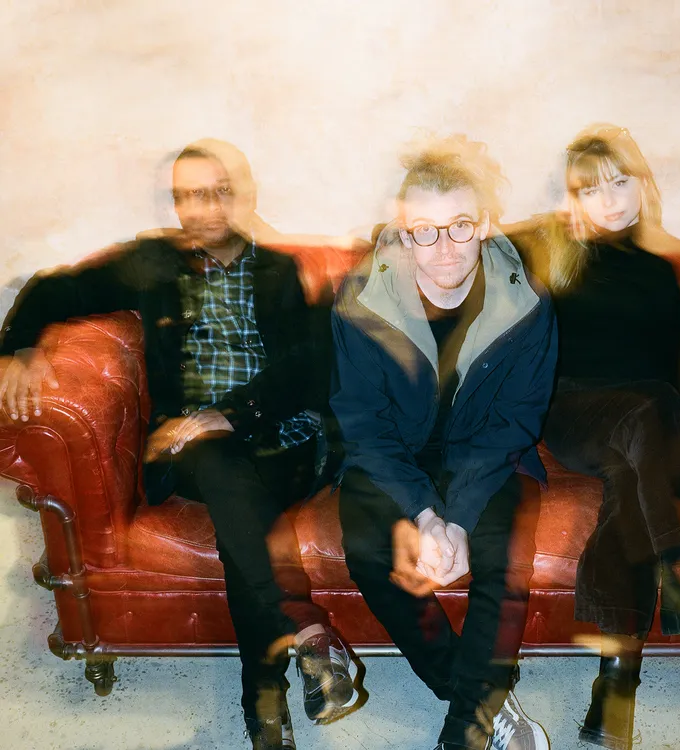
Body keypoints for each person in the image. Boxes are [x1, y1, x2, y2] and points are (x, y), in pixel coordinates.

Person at [0, 140, 361, 750]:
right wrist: (18, 346)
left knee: (239, 507)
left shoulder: (281, 270)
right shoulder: (151, 263)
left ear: (243, 196)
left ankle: (266, 709)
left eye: (220, 192)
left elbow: (308, 369)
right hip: (193, 447)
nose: (206, 207)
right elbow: (55, 286)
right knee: (220, 465)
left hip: (286, 438)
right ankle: (303, 641)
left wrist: (230, 414)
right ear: (176, 204)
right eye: (191, 195)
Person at [510, 124, 680, 750]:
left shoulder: (664, 272)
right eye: (590, 189)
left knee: (633, 472)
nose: (609, 199)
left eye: (619, 182)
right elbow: (456, 243)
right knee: (650, 406)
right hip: (569, 410)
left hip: (644, 422)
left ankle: (616, 684)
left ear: (643, 184)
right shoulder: (547, 246)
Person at [330, 136, 556, 750]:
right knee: (369, 548)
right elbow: (363, 423)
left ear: (484, 223)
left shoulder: (527, 302)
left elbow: (515, 419)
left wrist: (458, 518)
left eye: (460, 225)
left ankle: (464, 734)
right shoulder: (362, 298)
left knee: (505, 553)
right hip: (394, 459)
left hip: (487, 456)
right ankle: (478, 698)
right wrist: (425, 513)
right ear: (403, 235)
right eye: (424, 232)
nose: (445, 248)